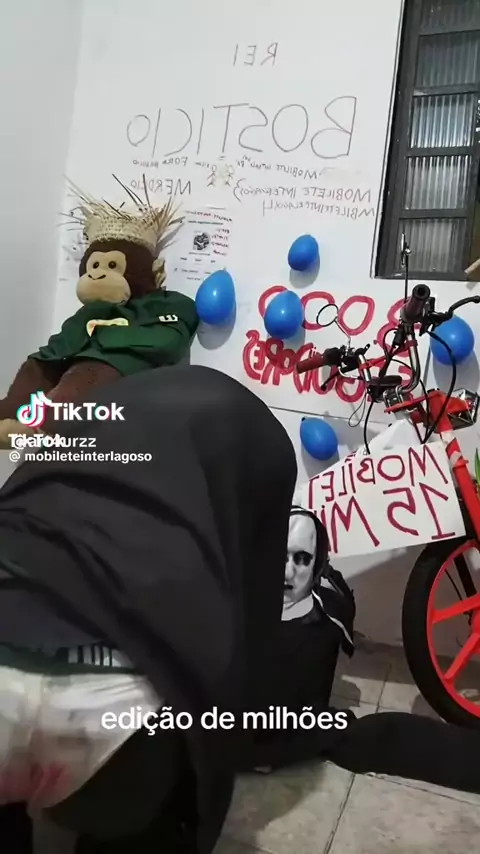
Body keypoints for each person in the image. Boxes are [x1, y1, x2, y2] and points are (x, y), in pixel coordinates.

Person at [0, 363, 297, 853]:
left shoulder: (93, 420)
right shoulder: (258, 449)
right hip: (116, 717)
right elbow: (251, 629)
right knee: (136, 816)